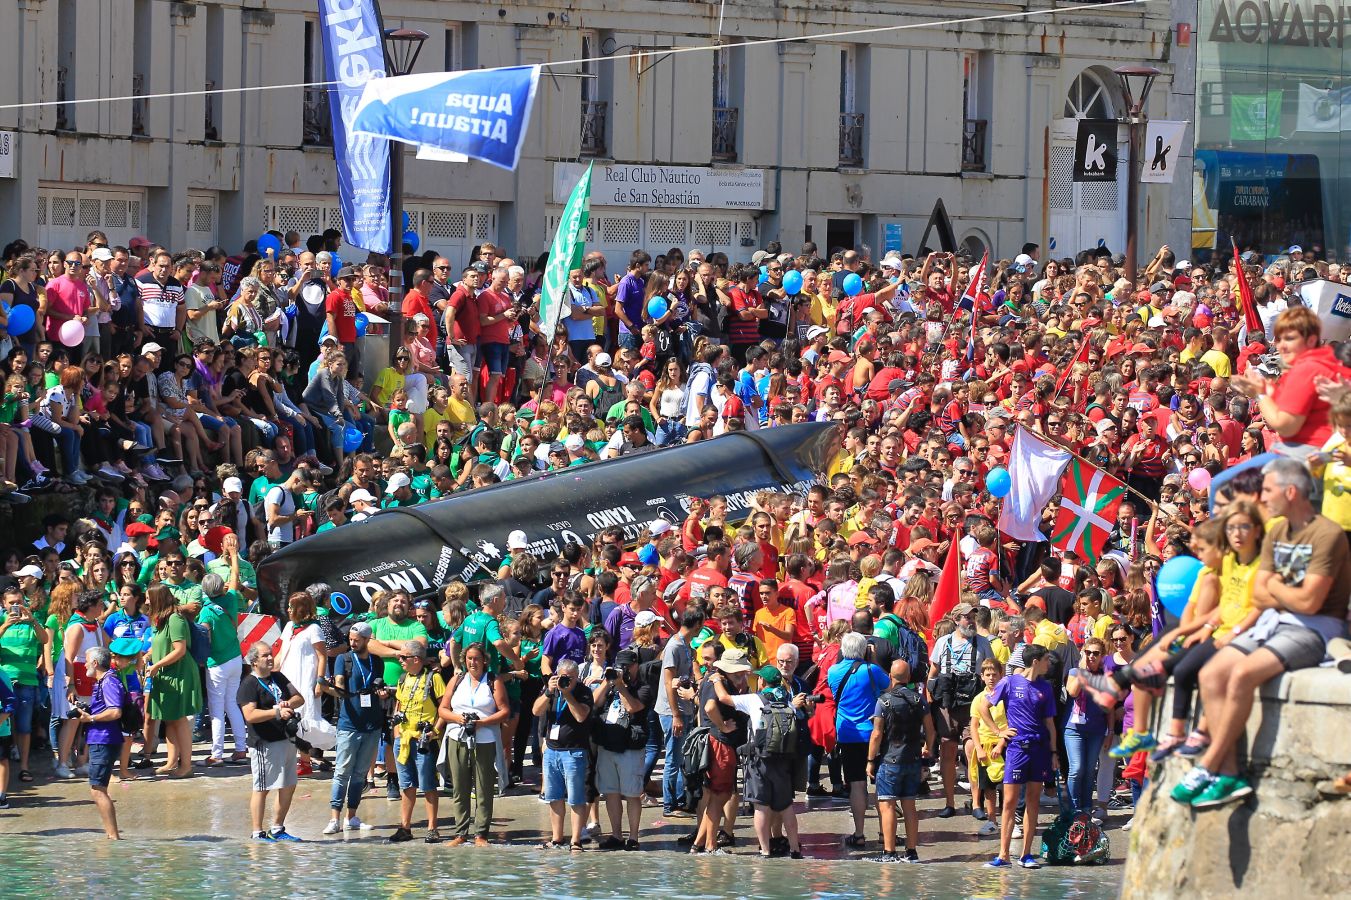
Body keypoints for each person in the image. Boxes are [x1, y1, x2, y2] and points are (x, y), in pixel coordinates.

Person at [1173, 457, 1351, 807]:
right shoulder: (1277, 533)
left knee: (1240, 674)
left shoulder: (1327, 534)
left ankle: (1210, 766)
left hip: (1316, 628)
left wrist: (1278, 591)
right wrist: (1287, 593)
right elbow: (1259, 593)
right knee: (1211, 674)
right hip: (1275, 621)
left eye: (1267, 490)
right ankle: (1229, 772)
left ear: (1290, 491)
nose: (1262, 496)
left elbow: (1312, 602)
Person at [980, 644, 1058, 869]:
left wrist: (1054, 752)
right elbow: (984, 707)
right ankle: (1003, 855)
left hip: (1039, 747)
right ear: (1035, 661)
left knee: (1033, 801)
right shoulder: (1010, 682)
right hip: (1017, 749)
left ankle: (1026, 854)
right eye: (1046, 659)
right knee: (1010, 802)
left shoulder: (1045, 687)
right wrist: (998, 732)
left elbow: (1050, 723)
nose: (1048, 664)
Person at [320, 620, 386, 835]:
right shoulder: (343, 658)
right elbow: (339, 684)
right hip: (349, 723)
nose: (352, 643)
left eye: (357, 640)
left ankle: (352, 817)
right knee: (342, 772)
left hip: (371, 723)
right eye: (350, 640)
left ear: (368, 640)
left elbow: (378, 684)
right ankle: (333, 818)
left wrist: (382, 693)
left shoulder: (377, 662)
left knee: (359, 774)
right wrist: (332, 688)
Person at [441, 641, 509, 847]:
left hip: (485, 739)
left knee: (484, 787)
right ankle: (461, 833)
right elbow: (443, 709)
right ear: (464, 660)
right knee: (459, 787)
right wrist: (457, 719)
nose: (473, 662)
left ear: (484, 660)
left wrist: (482, 722)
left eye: (477, 658)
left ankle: (481, 834)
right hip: (457, 736)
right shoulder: (457, 679)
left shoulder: (493, 681)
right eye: (469, 658)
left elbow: (504, 710)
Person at [927, 602, 992, 817]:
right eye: (966, 617)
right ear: (956, 620)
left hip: (973, 705)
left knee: (973, 751)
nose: (970, 621)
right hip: (947, 704)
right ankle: (949, 802)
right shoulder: (943, 642)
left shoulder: (982, 643)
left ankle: (976, 803)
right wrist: (928, 698)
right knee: (947, 751)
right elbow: (933, 672)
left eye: (973, 617)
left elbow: (991, 670)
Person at [867, 659, 935, 863]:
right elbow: (930, 731)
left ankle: (889, 852)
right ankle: (911, 851)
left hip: (890, 759)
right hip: (913, 758)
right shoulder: (918, 700)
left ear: (890, 677)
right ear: (908, 678)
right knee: (910, 806)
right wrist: (927, 749)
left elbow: (877, 734)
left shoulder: (884, 701)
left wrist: (870, 760)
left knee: (887, 805)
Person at [827, 631, 890, 848]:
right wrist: (871, 660)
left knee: (856, 784)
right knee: (880, 786)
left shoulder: (833, 671)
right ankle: (885, 833)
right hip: (873, 733)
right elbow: (888, 687)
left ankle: (859, 832)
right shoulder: (872, 670)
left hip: (847, 734)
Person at [237, 641, 305, 842]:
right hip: (264, 742)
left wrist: (287, 703)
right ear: (254, 661)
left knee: (288, 784)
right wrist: (276, 711)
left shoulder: (277, 677)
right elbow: (249, 714)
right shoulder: (249, 684)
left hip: (286, 739)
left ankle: (277, 828)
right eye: (265, 655)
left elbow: (299, 698)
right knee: (263, 787)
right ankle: (257, 831)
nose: (270, 658)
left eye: (271, 654)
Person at [590, 646, 652, 850]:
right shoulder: (610, 684)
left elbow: (633, 707)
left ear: (635, 666)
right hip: (608, 745)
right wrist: (608, 683)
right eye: (620, 666)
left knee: (633, 793)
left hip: (630, 748)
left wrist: (621, 686)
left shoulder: (643, 687)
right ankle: (616, 835)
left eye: (627, 666)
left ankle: (633, 837)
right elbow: (594, 703)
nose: (623, 670)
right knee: (611, 792)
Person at [533, 658, 594, 851]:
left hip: (574, 751)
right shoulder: (551, 689)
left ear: (577, 677)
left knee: (576, 798)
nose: (566, 681)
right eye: (563, 677)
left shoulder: (583, 692)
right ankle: (557, 838)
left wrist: (567, 694)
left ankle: (576, 840)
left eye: (571, 678)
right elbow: (535, 711)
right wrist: (549, 692)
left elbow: (581, 716)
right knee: (554, 797)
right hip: (552, 750)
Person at [390, 639, 447, 844]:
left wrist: (435, 731)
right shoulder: (403, 678)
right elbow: (398, 705)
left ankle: (432, 828)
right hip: (404, 739)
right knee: (406, 784)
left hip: (424, 740)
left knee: (428, 784)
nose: (400, 660)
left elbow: (444, 708)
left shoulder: (434, 679)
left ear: (416, 659)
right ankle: (405, 827)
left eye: (403, 657)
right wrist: (397, 732)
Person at [144, 583, 201, 778]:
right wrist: (148, 654)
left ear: (158, 599)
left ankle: (186, 765)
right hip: (165, 674)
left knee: (179, 719)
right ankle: (171, 762)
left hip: (178, 673)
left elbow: (180, 650)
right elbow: (162, 644)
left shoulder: (175, 619)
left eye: (148, 598)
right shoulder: (159, 620)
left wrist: (157, 665)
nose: (146, 601)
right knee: (169, 718)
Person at [654, 609, 702, 818]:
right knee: (673, 759)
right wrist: (675, 714)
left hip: (685, 709)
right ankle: (669, 805)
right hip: (672, 711)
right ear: (698, 624)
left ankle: (681, 801)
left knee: (682, 758)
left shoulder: (685, 645)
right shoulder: (674, 646)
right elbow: (668, 682)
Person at [198, 572, 247, 766]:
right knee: (232, 704)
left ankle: (216, 754)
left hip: (217, 663)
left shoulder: (206, 612)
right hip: (235, 658)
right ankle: (241, 750)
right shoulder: (232, 599)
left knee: (217, 710)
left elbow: (204, 638)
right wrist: (234, 556)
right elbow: (234, 580)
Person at [73, 646, 123, 838]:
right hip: (101, 739)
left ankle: (113, 837)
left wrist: (91, 719)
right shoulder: (104, 681)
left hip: (104, 740)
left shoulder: (109, 681)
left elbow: (115, 711)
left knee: (98, 789)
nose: (84, 664)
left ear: (95, 663)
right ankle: (112, 835)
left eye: (86, 661)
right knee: (98, 788)